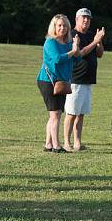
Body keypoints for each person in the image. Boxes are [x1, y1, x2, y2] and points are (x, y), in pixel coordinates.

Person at [37, 14, 80, 153]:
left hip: (61, 83)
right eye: (59, 25)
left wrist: (76, 47)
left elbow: (77, 60)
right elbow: (56, 59)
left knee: (55, 114)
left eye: (65, 25)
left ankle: (49, 144)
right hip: (47, 81)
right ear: (54, 27)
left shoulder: (68, 44)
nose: (62, 28)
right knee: (55, 114)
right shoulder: (50, 42)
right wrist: (71, 52)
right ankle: (56, 146)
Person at [63, 8, 105, 152]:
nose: (86, 20)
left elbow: (99, 54)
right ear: (77, 19)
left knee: (80, 114)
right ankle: (66, 142)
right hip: (76, 79)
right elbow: (79, 53)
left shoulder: (92, 35)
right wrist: (95, 42)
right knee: (71, 113)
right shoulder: (73, 34)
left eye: (88, 18)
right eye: (83, 18)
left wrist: (99, 42)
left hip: (88, 80)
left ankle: (77, 142)